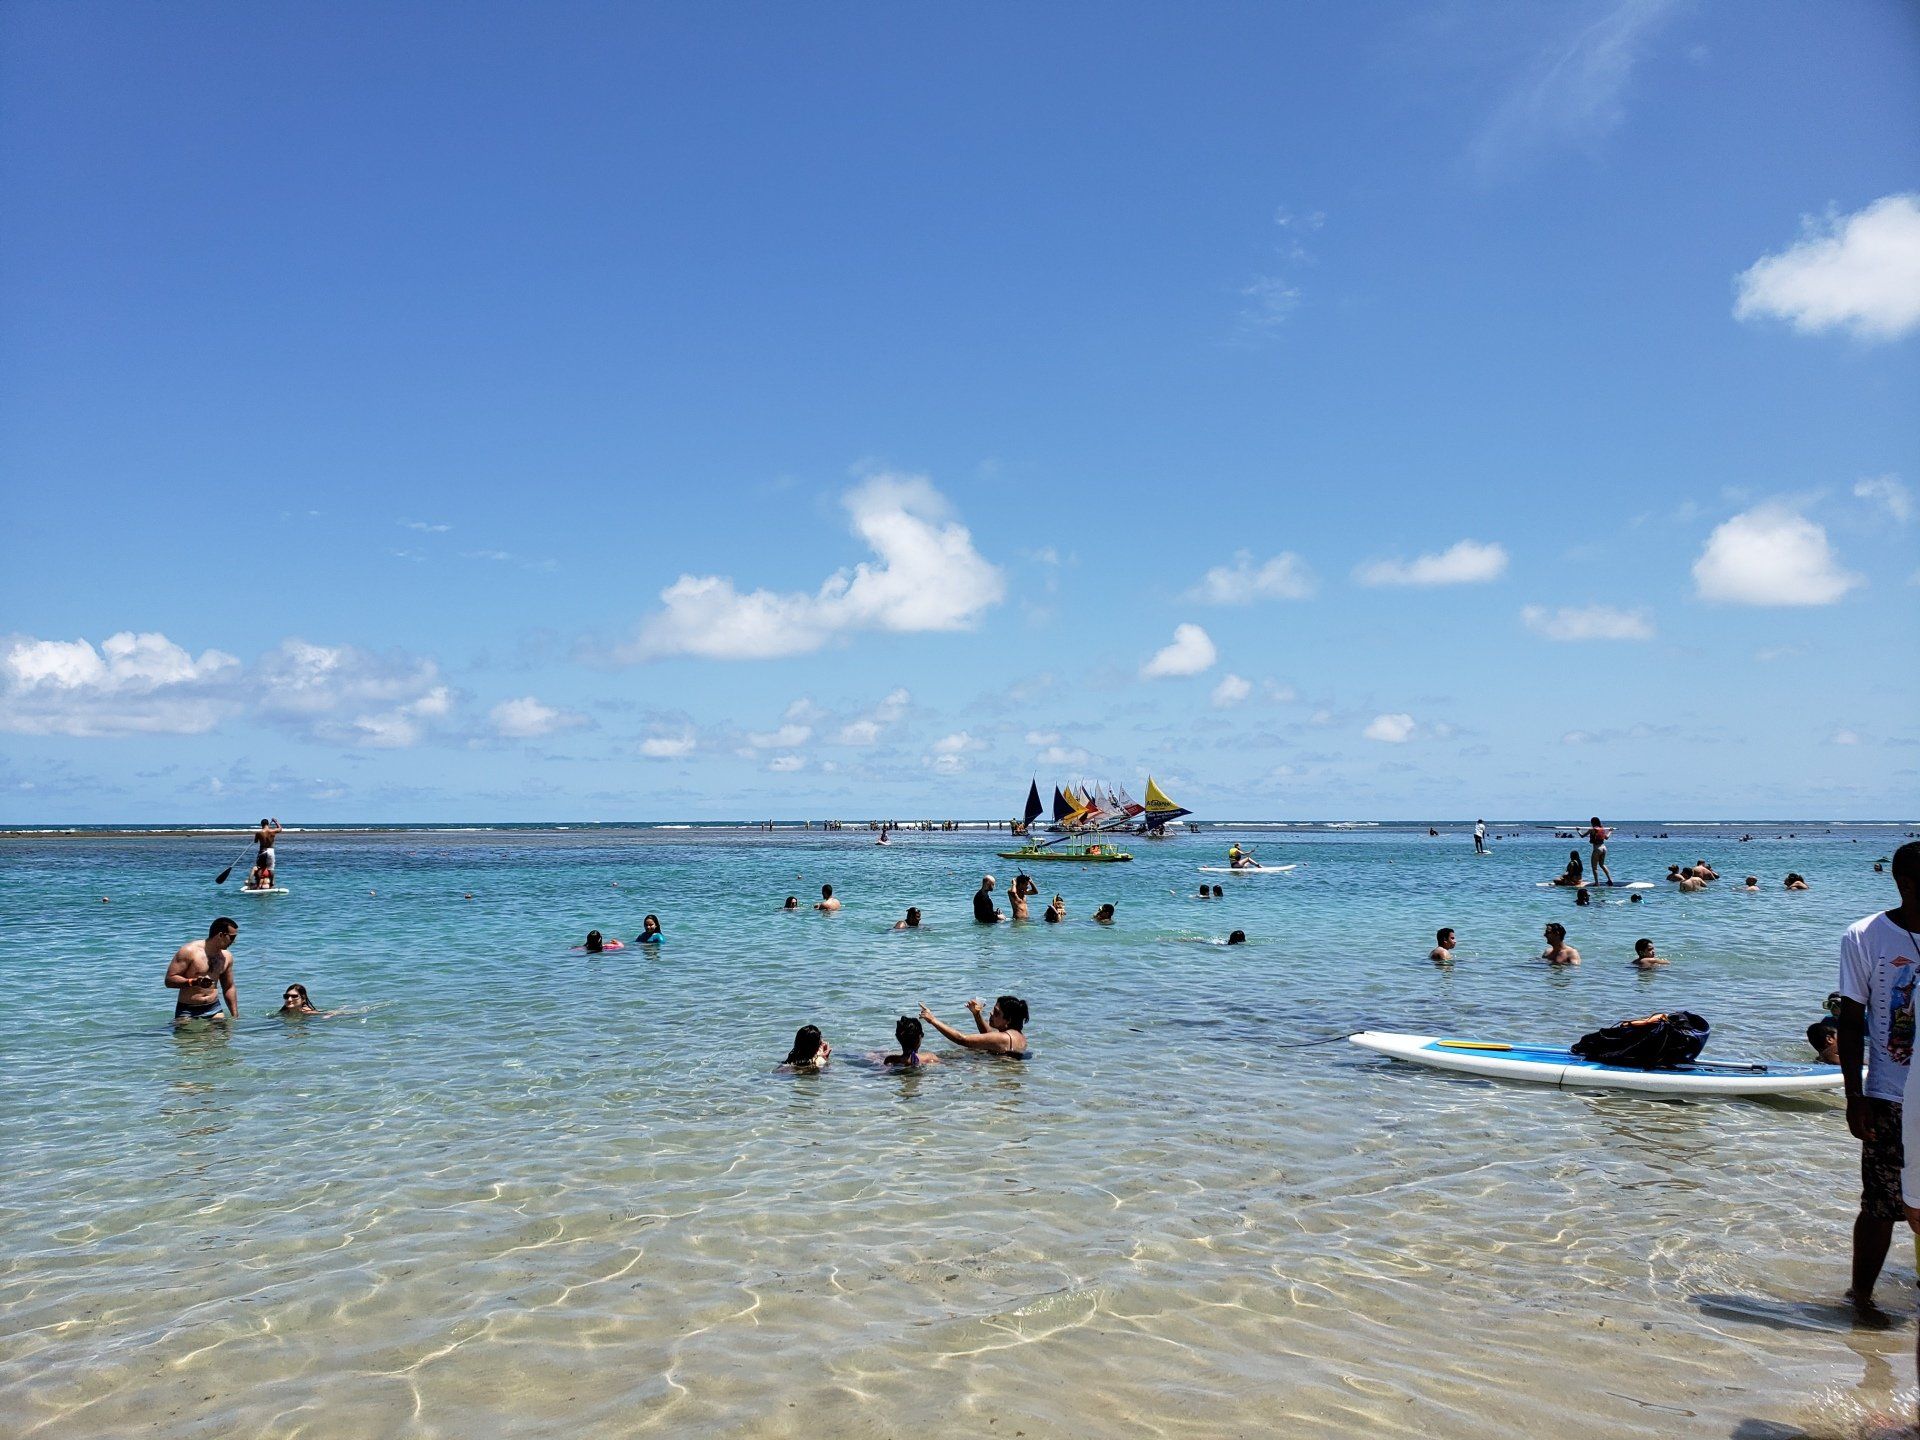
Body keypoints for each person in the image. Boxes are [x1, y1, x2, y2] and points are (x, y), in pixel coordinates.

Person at [1843, 841, 1920, 1325]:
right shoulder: (1866, 936)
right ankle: (1861, 1298)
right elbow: (1851, 1020)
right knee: (1880, 1203)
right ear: (1906, 885)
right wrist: (1855, 1095)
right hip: (1891, 1094)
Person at [166, 917, 239, 1023]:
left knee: (223, 1037)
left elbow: (229, 987)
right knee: (185, 1039)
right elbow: (169, 980)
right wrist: (194, 982)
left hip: (214, 1008)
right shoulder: (189, 951)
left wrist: (235, 1016)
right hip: (187, 1010)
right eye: (232, 937)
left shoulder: (227, 957)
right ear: (221, 935)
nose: (234, 941)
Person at [920, 995, 1028, 1057]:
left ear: (1008, 1020)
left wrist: (932, 1020)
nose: (991, 1013)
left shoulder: (1004, 1038)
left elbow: (962, 1039)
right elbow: (990, 1038)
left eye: (996, 1013)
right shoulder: (1018, 1035)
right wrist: (977, 1015)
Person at [1587, 817, 1614, 886]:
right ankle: (1610, 880)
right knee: (1602, 864)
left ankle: (1596, 883)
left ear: (1592, 823)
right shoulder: (1602, 829)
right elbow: (1607, 837)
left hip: (1597, 849)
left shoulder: (1592, 829)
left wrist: (1578, 830)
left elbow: (1582, 835)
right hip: (1604, 848)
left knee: (1594, 867)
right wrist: (1610, 831)